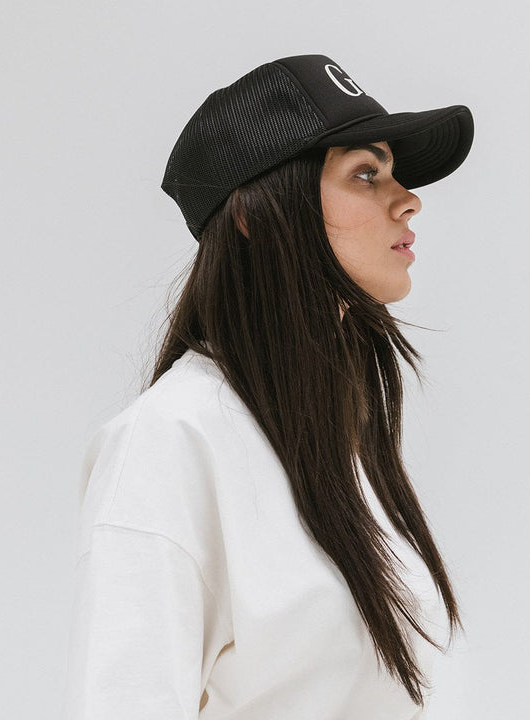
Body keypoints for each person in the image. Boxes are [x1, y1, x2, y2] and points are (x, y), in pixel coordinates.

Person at [61, 54, 474, 719]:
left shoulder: (336, 436)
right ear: (255, 214)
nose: (408, 200)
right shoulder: (168, 441)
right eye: (365, 173)